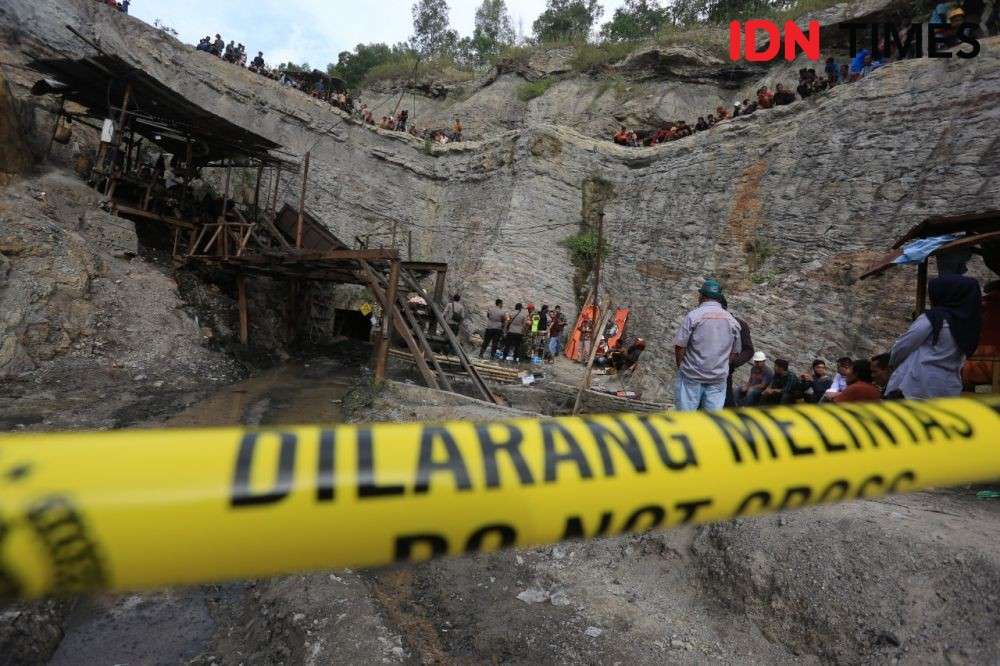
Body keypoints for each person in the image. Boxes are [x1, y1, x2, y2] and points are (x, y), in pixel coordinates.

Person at [886, 275, 982, 399]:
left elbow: (904, 345)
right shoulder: (970, 324)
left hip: (916, 384)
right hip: (948, 385)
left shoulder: (935, 318)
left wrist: (892, 363)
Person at [674, 279, 742, 412]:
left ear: (703, 297)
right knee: (712, 420)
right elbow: (735, 352)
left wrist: (680, 366)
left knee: (686, 418)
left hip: (692, 376)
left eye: (700, 295)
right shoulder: (732, 321)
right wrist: (722, 367)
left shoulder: (693, 316)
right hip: (717, 379)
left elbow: (680, 346)